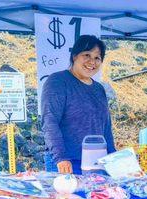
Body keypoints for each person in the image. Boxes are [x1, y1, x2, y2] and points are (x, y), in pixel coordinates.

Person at [41, 35, 116, 174]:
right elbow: (49, 121)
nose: (92, 62)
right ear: (75, 56)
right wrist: (61, 158)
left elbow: (106, 127)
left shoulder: (99, 88)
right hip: (66, 163)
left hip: (97, 163)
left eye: (97, 58)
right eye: (86, 55)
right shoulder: (58, 81)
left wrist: (112, 156)